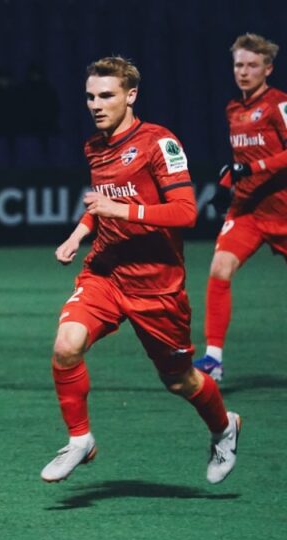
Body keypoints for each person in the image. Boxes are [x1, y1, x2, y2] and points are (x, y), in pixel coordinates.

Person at [42, 57, 240, 485]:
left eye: (106, 96)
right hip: (107, 272)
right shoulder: (94, 146)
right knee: (66, 346)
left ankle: (225, 428)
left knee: (180, 381)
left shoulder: (159, 143)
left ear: (131, 95)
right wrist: (78, 234)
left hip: (157, 286)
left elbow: (186, 212)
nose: (96, 105)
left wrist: (120, 209)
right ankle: (80, 439)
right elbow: (102, 203)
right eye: (90, 97)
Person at [194, 33, 287, 382]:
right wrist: (225, 184)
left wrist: (252, 168)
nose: (243, 72)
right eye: (238, 65)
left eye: (252, 65)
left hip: (283, 210)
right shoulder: (233, 108)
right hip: (247, 210)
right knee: (220, 268)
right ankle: (213, 360)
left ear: (268, 69)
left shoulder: (279, 104)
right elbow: (239, 161)